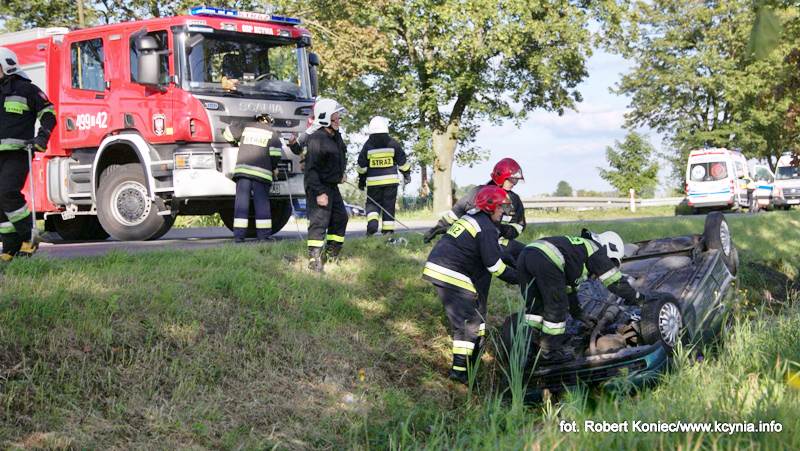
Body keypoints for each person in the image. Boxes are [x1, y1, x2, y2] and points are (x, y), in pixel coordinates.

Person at [423, 185, 519, 384]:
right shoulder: (485, 227)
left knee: (476, 319)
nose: (503, 212)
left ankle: (473, 363)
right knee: (469, 324)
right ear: (490, 207)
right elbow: (495, 267)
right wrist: (520, 277)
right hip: (451, 273)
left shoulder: (476, 219)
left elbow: (490, 252)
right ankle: (459, 374)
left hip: (445, 269)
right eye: (501, 208)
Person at [517, 229, 644, 364]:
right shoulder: (596, 249)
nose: (608, 266)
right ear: (608, 249)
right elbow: (615, 282)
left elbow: (569, 291)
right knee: (557, 306)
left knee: (536, 310)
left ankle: (528, 350)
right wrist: (638, 298)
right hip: (545, 259)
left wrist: (580, 315)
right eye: (611, 262)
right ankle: (550, 353)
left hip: (525, 256)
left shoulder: (577, 254)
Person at [0, 47, 56, 263]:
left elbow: (49, 114)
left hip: (18, 152)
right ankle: (10, 246)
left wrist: (41, 139)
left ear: (6, 65)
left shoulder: (27, 90)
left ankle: (29, 236)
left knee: (7, 193)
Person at [424, 158, 526, 261]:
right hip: (474, 243)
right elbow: (456, 213)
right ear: (500, 176)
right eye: (512, 179)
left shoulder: (513, 200)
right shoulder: (478, 193)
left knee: (528, 254)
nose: (514, 183)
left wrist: (503, 230)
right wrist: (437, 228)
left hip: (498, 241)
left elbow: (518, 225)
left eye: (516, 180)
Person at [222, 113, 283, 242]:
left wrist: (235, 142)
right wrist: (273, 168)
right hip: (262, 174)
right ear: (268, 121)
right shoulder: (272, 132)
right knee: (261, 204)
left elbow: (227, 134)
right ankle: (264, 236)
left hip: (243, 172)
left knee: (241, 204)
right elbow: (275, 155)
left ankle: (239, 237)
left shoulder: (246, 126)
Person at [304, 98, 348, 272]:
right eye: (335, 116)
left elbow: (339, 158)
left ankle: (332, 255)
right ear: (324, 117)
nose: (338, 119)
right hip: (318, 186)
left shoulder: (336, 137)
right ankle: (314, 259)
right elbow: (311, 170)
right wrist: (319, 192)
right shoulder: (317, 139)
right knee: (319, 221)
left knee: (340, 218)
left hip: (332, 185)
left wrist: (340, 174)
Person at [356, 116, 410, 236]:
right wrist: (407, 175)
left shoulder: (368, 145)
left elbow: (361, 166)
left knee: (372, 205)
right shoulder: (393, 143)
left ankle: (372, 224)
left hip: (373, 184)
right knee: (389, 206)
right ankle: (388, 232)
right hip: (391, 183)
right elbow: (402, 162)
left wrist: (361, 180)